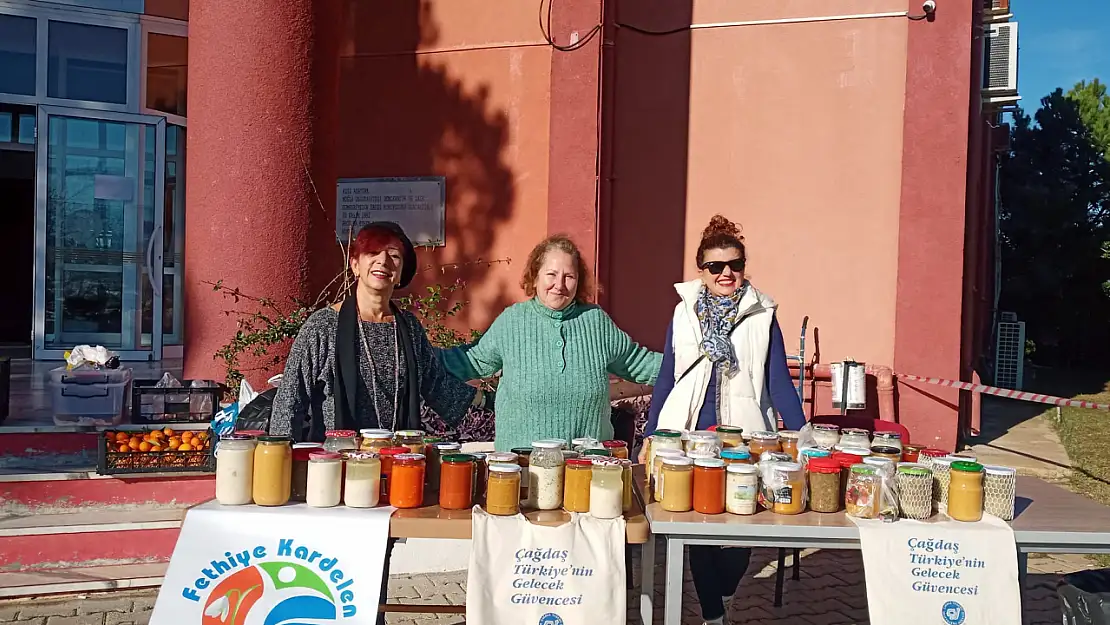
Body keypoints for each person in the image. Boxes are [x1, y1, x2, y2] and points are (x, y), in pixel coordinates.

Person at [641, 215, 806, 625]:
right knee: (698, 529)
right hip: (688, 435)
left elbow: (779, 381)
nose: (726, 273)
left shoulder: (762, 315)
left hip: (745, 437)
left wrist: (803, 433)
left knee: (740, 527)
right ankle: (714, 615)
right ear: (703, 270)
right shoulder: (683, 314)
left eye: (735, 264)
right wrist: (650, 432)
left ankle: (727, 595)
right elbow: (667, 377)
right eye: (716, 267)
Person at [440, 234, 661, 451]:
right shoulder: (513, 321)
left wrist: (688, 363)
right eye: (551, 274)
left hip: (585, 467)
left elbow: (637, 362)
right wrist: (415, 354)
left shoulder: (595, 322)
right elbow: (472, 361)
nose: (559, 285)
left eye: (569, 276)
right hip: (523, 469)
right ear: (535, 277)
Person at [270, 221, 486, 441]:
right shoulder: (323, 326)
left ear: (401, 273)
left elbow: (437, 385)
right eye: (372, 252)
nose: (383, 261)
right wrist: (280, 461)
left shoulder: (409, 328)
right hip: (335, 463)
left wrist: (490, 402)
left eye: (394, 256)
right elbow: (290, 399)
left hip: (397, 461)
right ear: (355, 265)